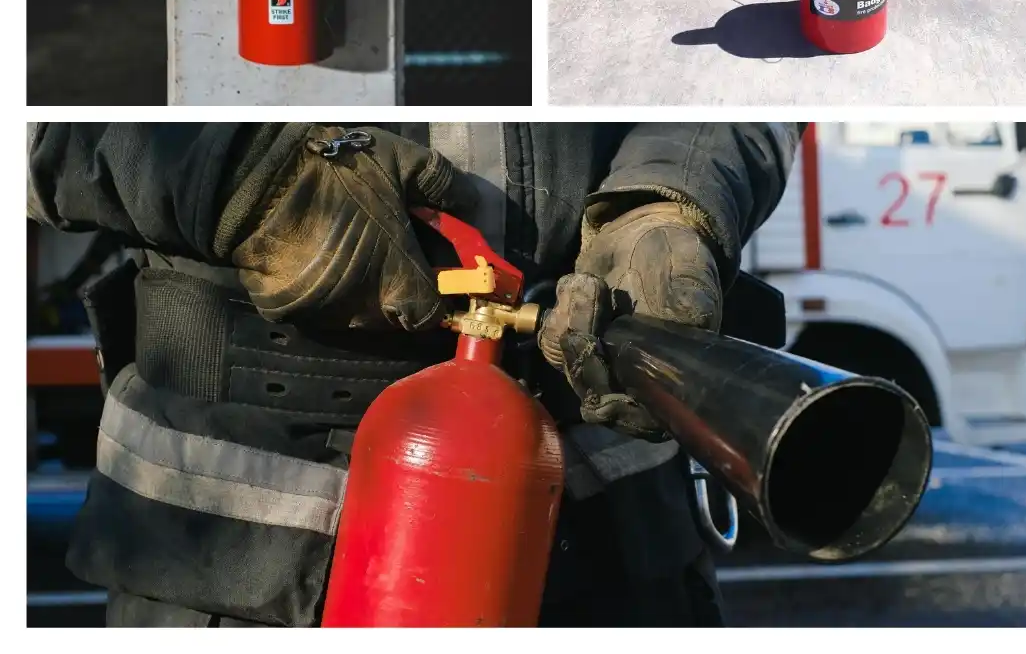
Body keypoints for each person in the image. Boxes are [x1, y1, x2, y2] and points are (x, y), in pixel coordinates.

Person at [27, 122, 802, 628]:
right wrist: (244, 177)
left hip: (617, 558)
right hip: (233, 575)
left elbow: (729, 91)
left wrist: (670, 202)